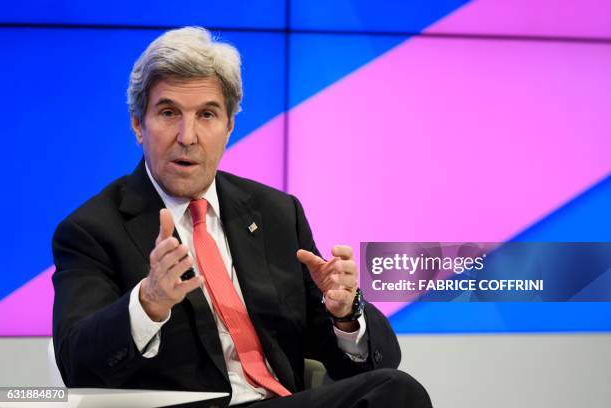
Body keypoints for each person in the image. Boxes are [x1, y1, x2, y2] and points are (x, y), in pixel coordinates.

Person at [52, 26, 432, 407]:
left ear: (229, 126)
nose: (188, 136)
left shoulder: (276, 213)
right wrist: (149, 302)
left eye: (207, 115)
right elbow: (77, 366)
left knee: (391, 388)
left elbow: (359, 366)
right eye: (169, 113)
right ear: (138, 124)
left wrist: (345, 314)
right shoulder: (92, 230)